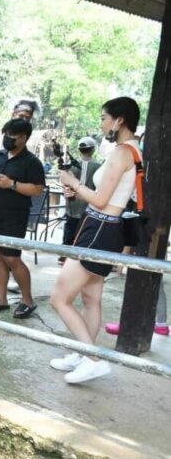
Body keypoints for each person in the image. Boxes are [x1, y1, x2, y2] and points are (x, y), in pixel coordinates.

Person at [49, 97, 141, 384]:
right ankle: (81, 351)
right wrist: (77, 191)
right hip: (105, 228)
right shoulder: (133, 150)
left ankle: (92, 358)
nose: (101, 123)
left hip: (99, 228)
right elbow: (108, 196)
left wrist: (73, 182)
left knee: (59, 299)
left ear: (119, 120)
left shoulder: (122, 152)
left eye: (104, 118)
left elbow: (101, 200)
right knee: (91, 298)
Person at [0, 118, 45, 319]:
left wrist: (12, 184)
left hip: (14, 216)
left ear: (23, 138)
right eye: (5, 135)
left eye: (12, 137)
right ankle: (1, 300)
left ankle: (27, 300)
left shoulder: (31, 162)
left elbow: (37, 189)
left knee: (12, 257)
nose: (7, 139)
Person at [58, 137, 102, 264]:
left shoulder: (71, 165)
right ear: (93, 149)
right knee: (83, 232)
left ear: (79, 149)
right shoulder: (98, 167)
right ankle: (78, 256)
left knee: (70, 228)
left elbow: (65, 183)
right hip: (89, 205)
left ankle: (64, 253)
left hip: (72, 204)